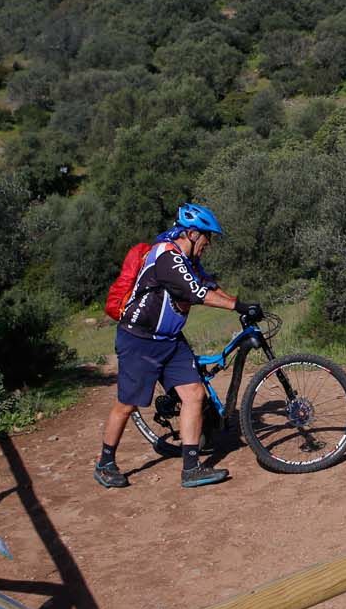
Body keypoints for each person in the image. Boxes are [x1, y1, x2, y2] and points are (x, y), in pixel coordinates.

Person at [94, 202, 260, 489]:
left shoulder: (189, 261)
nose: (209, 244)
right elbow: (197, 293)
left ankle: (191, 468)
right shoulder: (166, 257)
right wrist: (237, 305)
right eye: (207, 237)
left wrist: (239, 305)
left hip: (171, 341)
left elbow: (208, 284)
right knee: (127, 404)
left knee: (194, 394)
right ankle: (105, 463)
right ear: (193, 234)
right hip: (140, 340)